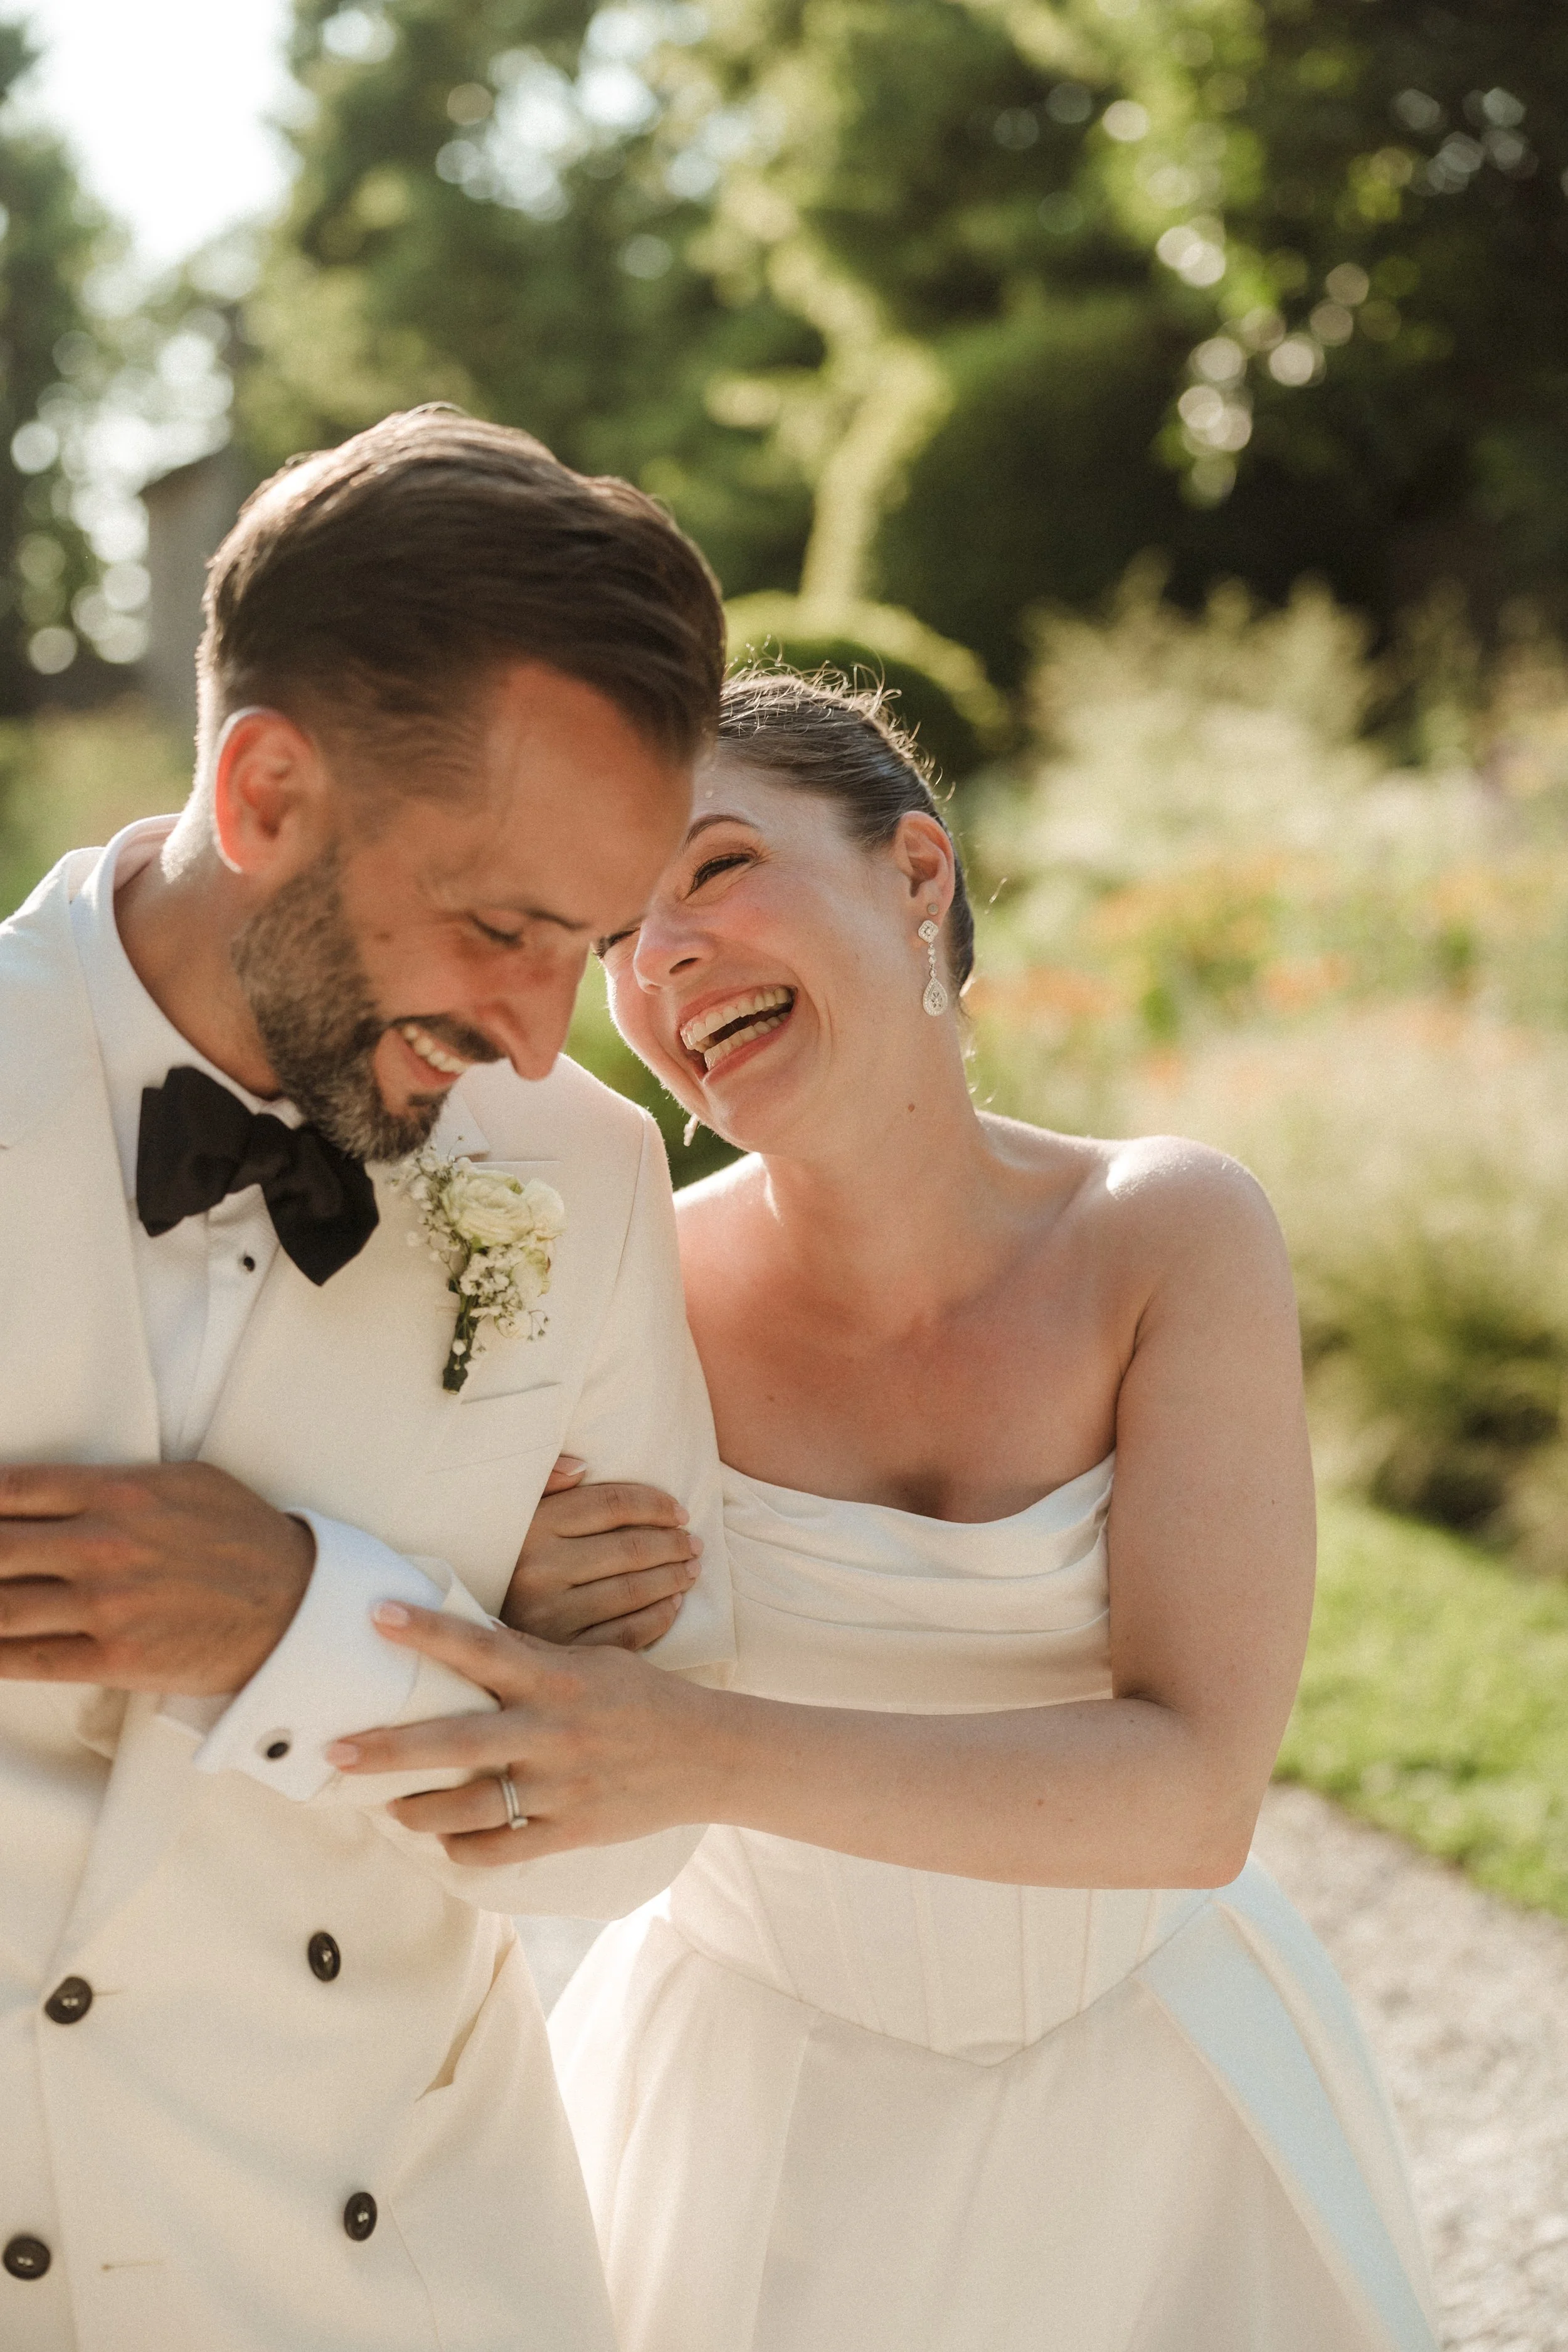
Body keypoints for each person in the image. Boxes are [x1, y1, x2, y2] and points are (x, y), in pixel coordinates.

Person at [339, 670, 1441, 2352]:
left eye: (713, 868)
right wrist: (503, 1590)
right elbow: (437, 1684)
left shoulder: (1168, 1233)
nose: (662, 959)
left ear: (915, 874)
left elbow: (1192, 1794)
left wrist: (698, 1752)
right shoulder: (609, 1283)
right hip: (756, 2136)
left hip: (1162, 2117)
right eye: (613, 930)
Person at [0, 406, 738, 2352]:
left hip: (385, 2273)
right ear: (263, 790)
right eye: (501, 926)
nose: (532, 1032)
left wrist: (301, 1619)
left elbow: (661, 1810)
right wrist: (482, 1630)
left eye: (583, 944)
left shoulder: (578, 1175)